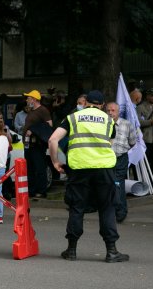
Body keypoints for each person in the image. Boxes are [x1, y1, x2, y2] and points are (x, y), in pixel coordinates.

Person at [48, 90, 128, 263]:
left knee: (77, 207)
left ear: (85, 103)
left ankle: (71, 250)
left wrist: (56, 162)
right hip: (104, 169)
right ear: (102, 105)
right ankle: (112, 251)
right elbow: (110, 145)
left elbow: (53, 140)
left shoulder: (73, 118)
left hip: (79, 168)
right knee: (107, 207)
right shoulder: (109, 121)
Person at [106, 102, 138, 223]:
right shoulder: (103, 124)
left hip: (120, 158)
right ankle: (108, 210)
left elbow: (133, 141)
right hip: (106, 159)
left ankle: (121, 212)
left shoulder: (126, 124)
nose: (110, 113)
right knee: (107, 184)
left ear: (118, 112)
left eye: (113, 110)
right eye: (108, 110)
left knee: (118, 184)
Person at [21, 89, 53, 198]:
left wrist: (34, 130)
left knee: (39, 167)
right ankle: (32, 190)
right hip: (29, 144)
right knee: (30, 168)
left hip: (37, 145)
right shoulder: (32, 111)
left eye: (28, 98)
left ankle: (41, 190)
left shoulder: (43, 110)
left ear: (34, 99)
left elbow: (49, 125)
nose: (26, 100)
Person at [136, 88, 153, 178]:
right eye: (152, 95)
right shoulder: (140, 107)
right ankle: (143, 180)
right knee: (145, 161)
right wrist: (150, 122)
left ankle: (152, 180)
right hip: (145, 138)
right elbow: (138, 122)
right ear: (147, 96)